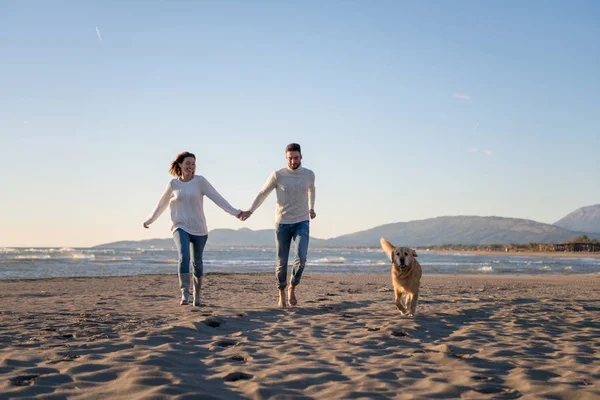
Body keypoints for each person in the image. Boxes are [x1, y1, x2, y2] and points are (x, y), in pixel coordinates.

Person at [143, 151, 242, 306]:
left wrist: (235, 212)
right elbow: (161, 204)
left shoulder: (200, 182)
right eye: (187, 163)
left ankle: (197, 295)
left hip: (199, 228)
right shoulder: (173, 184)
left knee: (197, 263)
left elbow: (217, 198)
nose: (191, 166)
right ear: (180, 165)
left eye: (193, 163)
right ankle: (185, 293)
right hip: (180, 225)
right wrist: (150, 219)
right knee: (184, 255)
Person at [240, 143, 316, 308]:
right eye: (290, 158)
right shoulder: (278, 175)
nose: (293, 161)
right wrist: (250, 211)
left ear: (301, 157)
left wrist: (312, 207)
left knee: (301, 259)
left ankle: (292, 287)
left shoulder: (309, 174)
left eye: (296, 158)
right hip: (282, 223)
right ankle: (281, 292)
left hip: (302, 221)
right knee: (281, 263)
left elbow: (312, 190)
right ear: (286, 158)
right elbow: (262, 193)